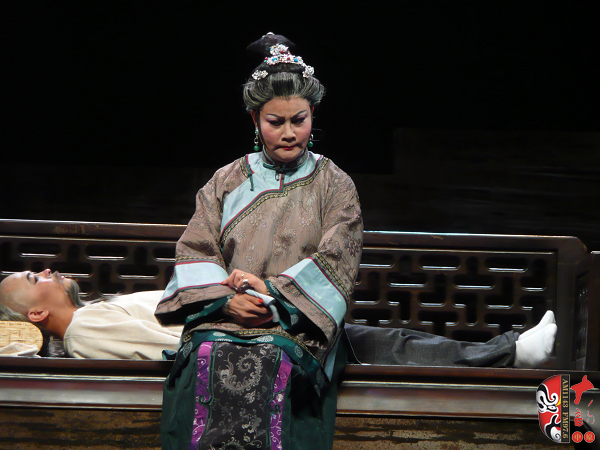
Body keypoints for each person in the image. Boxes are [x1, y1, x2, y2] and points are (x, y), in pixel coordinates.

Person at [146, 33, 557, 450]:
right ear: (255, 119)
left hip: (298, 323)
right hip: (223, 319)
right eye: (275, 122)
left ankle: (511, 351)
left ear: (312, 114)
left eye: (299, 120)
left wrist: (270, 294)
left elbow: (336, 260)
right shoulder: (226, 181)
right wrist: (226, 302)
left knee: (293, 352)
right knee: (212, 354)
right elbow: (196, 250)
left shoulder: (334, 184)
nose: (288, 133)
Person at [0, 269, 182, 359]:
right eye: (35, 279)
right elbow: (184, 348)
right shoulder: (84, 331)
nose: (46, 271)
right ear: (38, 313)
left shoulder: (87, 319)